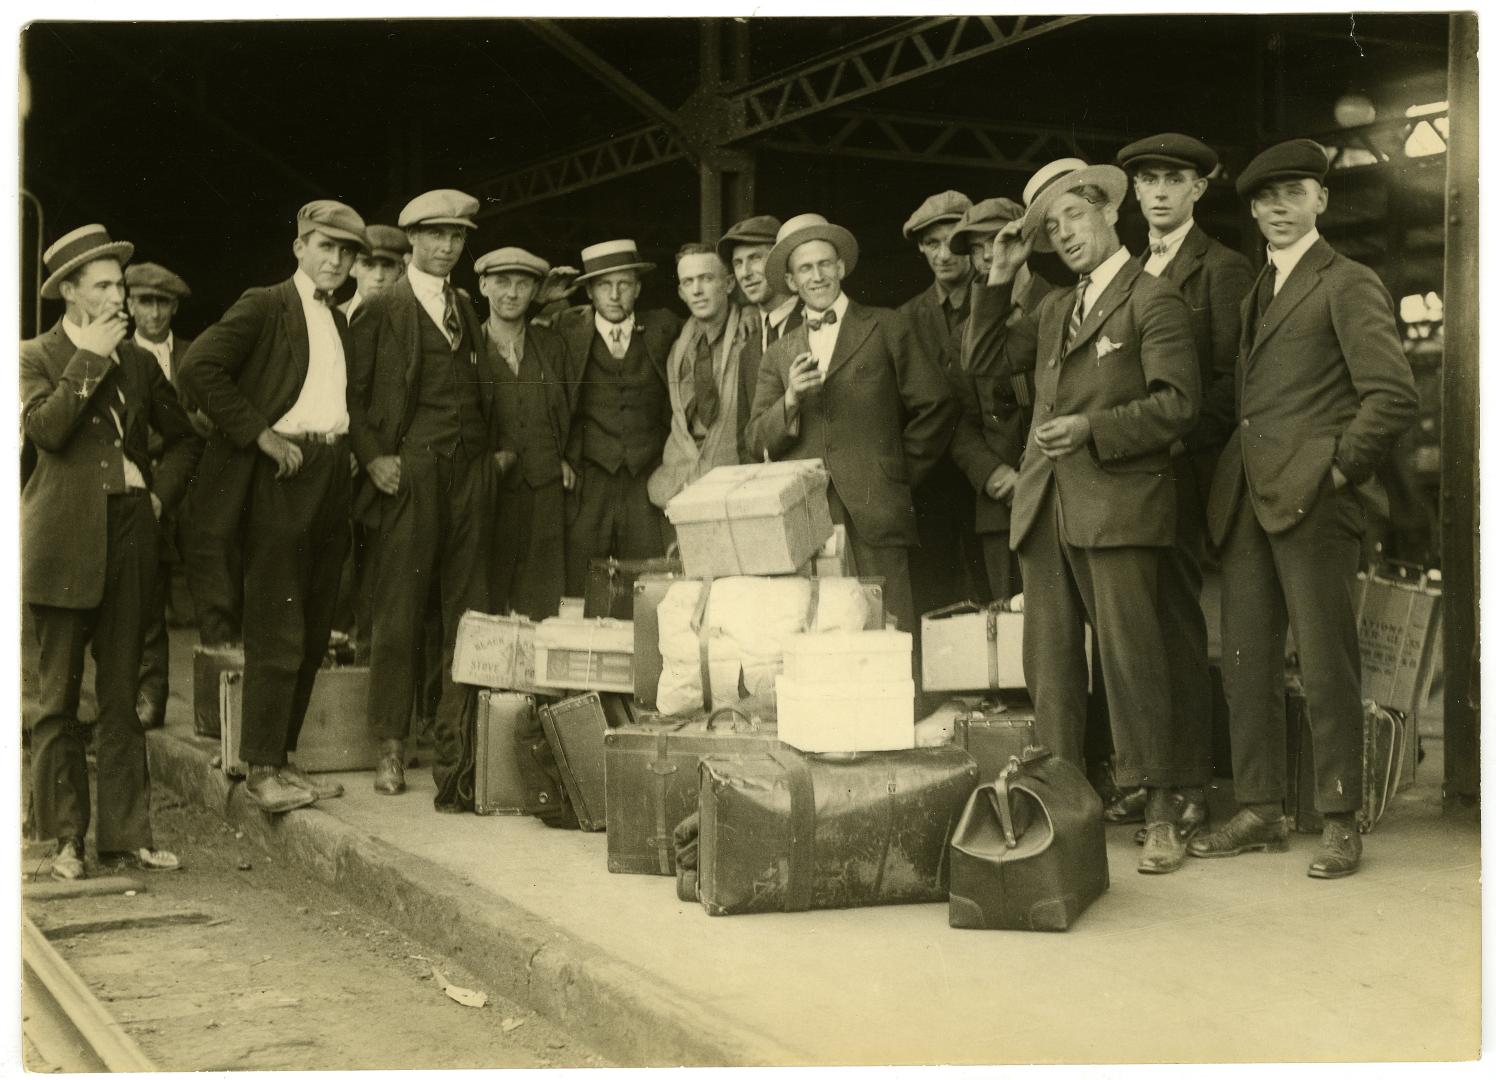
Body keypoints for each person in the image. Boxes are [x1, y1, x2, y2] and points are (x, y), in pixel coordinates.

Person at [1188, 139, 1417, 879]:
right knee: (1246, 662)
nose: (1277, 209)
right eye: (1264, 199)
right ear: (1253, 211)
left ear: (1321, 200)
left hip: (1314, 497)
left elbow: (1392, 393)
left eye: (1293, 194)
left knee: (1326, 662)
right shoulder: (1264, 287)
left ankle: (1341, 816)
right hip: (1253, 496)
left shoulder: (1345, 281)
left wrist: (1341, 470)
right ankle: (1259, 809)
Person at [980, 159, 1203, 874]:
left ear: (1110, 211)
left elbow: (1178, 406)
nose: (1064, 234)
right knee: (1049, 667)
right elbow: (982, 362)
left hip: (1118, 501)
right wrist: (1000, 273)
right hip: (1046, 504)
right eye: (1051, 226)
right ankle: (1063, 800)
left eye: (1074, 216)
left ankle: (1163, 808)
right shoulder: (1052, 309)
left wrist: (1092, 430)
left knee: (1132, 660)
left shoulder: (1154, 300)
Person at [23, 225, 201, 878]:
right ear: (68, 291)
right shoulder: (33, 356)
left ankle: (125, 837)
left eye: (119, 285)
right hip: (61, 540)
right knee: (58, 701)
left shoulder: (142, 362)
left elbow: (184, 439)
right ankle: (63, 840)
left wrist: (156, 496)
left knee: (123, 696)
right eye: (102, 285)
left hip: (130, 533)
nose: (117, 297)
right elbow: (45, 430)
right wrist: (90, 357)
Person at [179, 200, 367, 814]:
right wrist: (260, 434)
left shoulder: (338, 322)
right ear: (299, 248)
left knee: (315, 630)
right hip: (282, 475)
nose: (335, 260)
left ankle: (282, 759)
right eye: (324, 247)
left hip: (329, 471)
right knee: (278, 625)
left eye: (345, 252)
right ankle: (261, 768)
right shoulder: (265, 304)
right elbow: (200, 367)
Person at [1109, 132, 1256, 838]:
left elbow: (1232, 386)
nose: (1160, 192)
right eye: (1149, 181)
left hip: (1183, 475)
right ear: (1133, 194)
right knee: (1139, 631)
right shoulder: (1127, 273)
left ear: (1199, 189)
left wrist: (1170, 435)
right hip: (1128, 480)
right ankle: (1155, 776)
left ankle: (1191, 780)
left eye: (1175, 180)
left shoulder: (1222, 270)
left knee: (1178, 627)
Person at [347, 189, 504, 806]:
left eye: (457, 237)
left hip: (466, 473)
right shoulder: (383, 307)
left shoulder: (463, 305)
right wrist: (373, 458)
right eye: (436, 235)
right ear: (412, 239)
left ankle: (452, 741)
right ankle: (390, 742)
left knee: (466, 610)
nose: (447, 247)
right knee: (401, 608)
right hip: (413, 469)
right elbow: (354, 397)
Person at [746, 213, 956, 637]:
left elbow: (937, 405)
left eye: (825, 264)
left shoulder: (888, 325)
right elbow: (754, 440)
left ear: (841, 268)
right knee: (822, 632)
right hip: (811, 519)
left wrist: (895, 473)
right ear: (790, 281)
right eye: (805, 268)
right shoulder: (779, 353)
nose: (818, 275)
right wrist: (790, 399)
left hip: (877, 507)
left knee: (889, 626)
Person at [556, 240, 682, 593]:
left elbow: (709, 324)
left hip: (646, 477)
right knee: (579, 577)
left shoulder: (664, 327)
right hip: (590, 477)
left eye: (624, 284)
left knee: (648, 578)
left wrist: (747, 314)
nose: (614, 295)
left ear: (638, 288)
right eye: (604, 285)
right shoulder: (565, 329)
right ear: (590, 292)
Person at [945, 197, 1045, 602]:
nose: (987, 255)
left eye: (994, 240)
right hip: (999, 505)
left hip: (1057, 490)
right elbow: (956, 419)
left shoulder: (1061, 304)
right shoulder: (963, 335)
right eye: (975, 247)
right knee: (1005, 628)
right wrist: (996, 476)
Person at [477, 245, 574, 621]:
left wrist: (563, 455)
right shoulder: (469, 346)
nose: (512, 293)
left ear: (536, 292)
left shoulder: (551, 346)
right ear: (484, 285)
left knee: (544, 599)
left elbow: (570, 405)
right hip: (491, 488)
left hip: (544, 487)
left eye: (523, 284)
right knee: (487, 592)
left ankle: (538, 681)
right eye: (502, 282)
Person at [898, 191, 983, 616]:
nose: (943, 253)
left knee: (998, 594)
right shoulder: (905, 319)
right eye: (932, 243)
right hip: (933, 481)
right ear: (920, 249)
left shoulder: (996, 302)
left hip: (991, 474)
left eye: (953, 240)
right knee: (935, 598)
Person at [126, 261, 198, 730]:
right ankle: (150, 693)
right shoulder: (113, 357)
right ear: (129, 304)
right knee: (144, 598)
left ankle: (217, 706)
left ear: (174, 306)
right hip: (143, 489)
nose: (154, 313)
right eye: (144, 302)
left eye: (163, 303)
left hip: (192, 490)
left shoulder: (196, 355)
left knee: (213, 594)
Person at [649, 244, 753, 507]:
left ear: (729, 284)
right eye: (688, 282)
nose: (697, 290)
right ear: (681, 293)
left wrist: (750, 307)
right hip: (683, 485)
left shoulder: (751, 334)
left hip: (739, 483)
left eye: (706, 278)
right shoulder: (678, 346)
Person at [716, 214, 801, 461]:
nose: (745, 273)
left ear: (781, 262)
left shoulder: (814, 321)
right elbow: (747, 441)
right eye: (738, 263)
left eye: (755, 259)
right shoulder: (749, 349)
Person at [341, 224, 409, 323]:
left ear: (400, 271)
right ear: (352, 268)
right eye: (369, 265)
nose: (379, 276)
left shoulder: (411, 319)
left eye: (387, 266)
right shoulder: (333, 317)